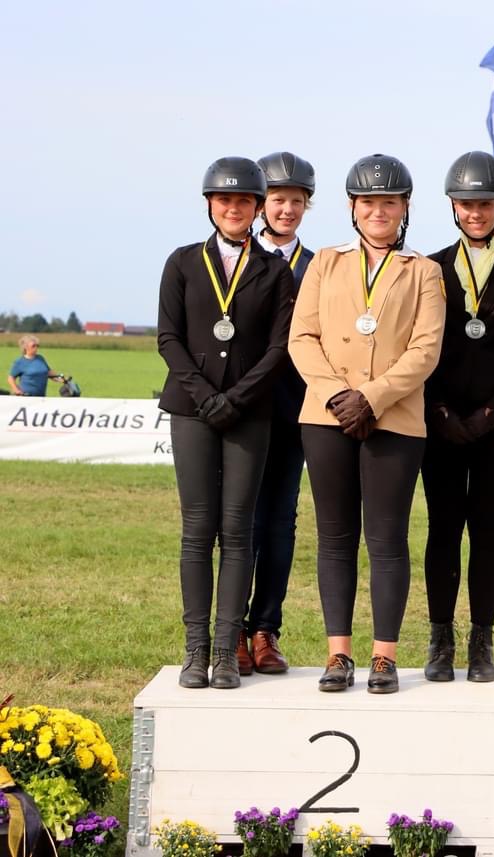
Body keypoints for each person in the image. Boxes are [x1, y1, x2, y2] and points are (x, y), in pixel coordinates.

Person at [289, 154, 446, 694]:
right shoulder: (324, 264)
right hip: (325, 417)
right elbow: (301, 338)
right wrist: (338, 396)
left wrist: (373, 398)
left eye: (389, 202)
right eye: (368, 202)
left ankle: (384, 656)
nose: (378, 211)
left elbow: (426, 349)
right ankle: (338, 655)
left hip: (395, 420)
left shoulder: (423, 271)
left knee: (386, 539)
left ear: (404, 209)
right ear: (353, 209)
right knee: (334, 537)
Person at [157, 157, 295, 689]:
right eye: (224, 201)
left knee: (238, 533)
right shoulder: (183, 262)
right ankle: (194, 650)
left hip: (248, 413)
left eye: (243, 201)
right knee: (197, 532)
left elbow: (279, 347)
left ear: (257, 208)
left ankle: (224, 652)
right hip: (192, 411)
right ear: (210, 205)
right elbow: (169, 337)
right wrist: (205, 396)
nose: (233, 208)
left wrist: (235, 398)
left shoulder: (275, 270)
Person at [422, 151, 494, 681]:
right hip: (438, 423)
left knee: (487, 531)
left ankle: (481, 642)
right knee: (442, 530)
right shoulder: (431, 268)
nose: (476, 212)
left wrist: (490, 414)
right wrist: (440, 411)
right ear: (453, 207)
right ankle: (440, 639)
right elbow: (417, 346)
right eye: (467, 204)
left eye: (485, 203)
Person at [235, 151, 317, 677]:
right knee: (238, 522)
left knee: (280, 523)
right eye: (278, 200)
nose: (286, 210)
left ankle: (266, 630)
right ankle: (231, 631)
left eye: (296, 201)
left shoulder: (320, 265)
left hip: (293, 413)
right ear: (261, 204)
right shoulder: (235, 258)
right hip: (242, 413)